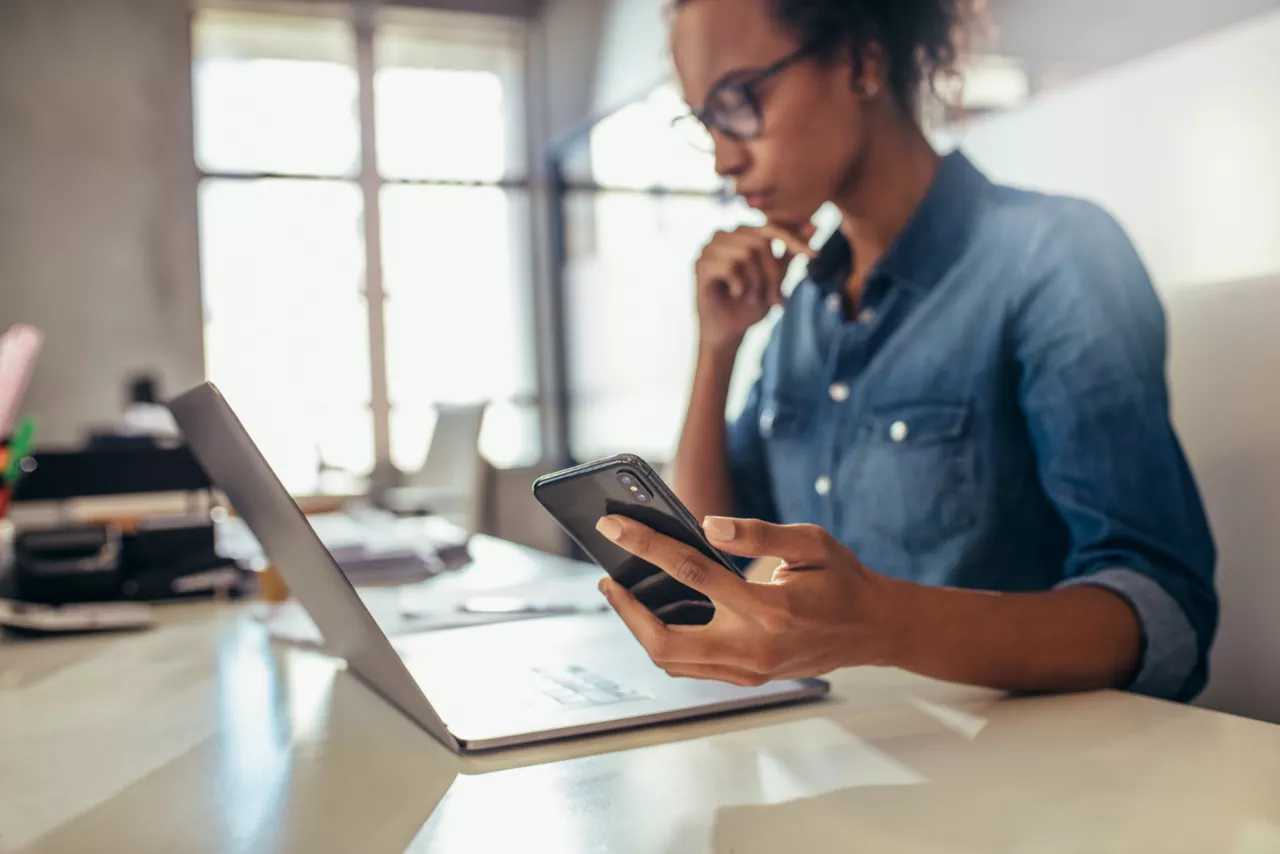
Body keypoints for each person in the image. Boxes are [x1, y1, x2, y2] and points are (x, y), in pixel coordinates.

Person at [594, 0, 1218, 701]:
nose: (724, 156)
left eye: (740, 100)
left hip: (1025, 776)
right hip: (842, 754)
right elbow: (710, 558)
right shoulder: (806, 308)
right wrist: (717, 348)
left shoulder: (1052, 256)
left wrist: (880, 625)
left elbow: (1165, 615)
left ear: (863, 59)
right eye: (705, 118)